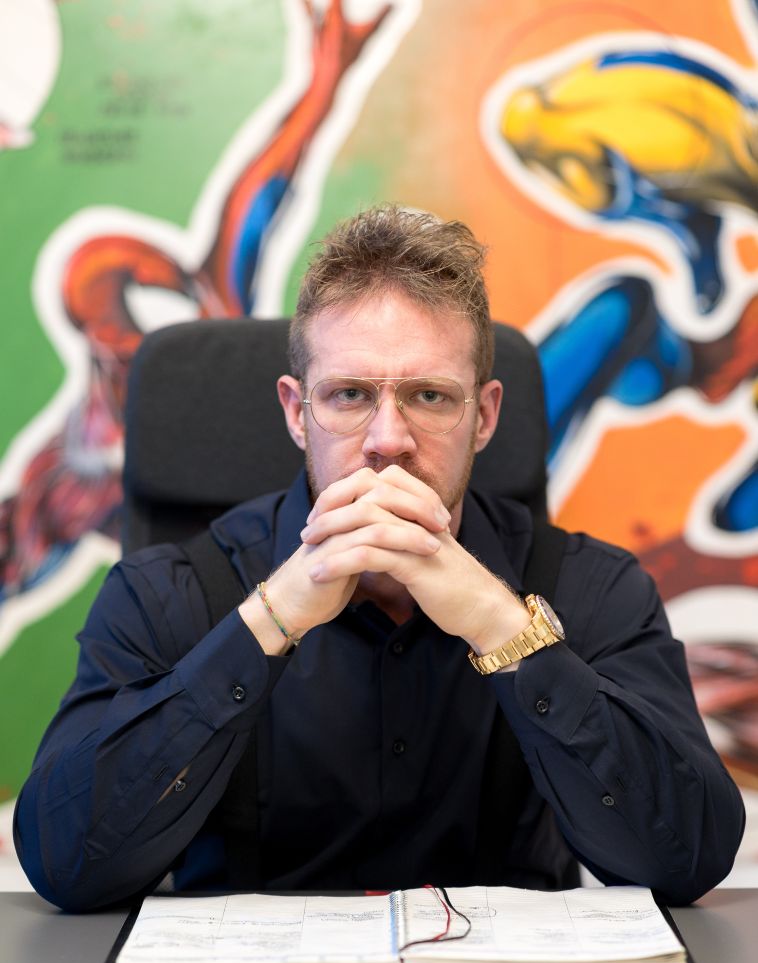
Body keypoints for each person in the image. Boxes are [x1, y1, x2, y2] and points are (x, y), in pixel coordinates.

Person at [14, 205, 744, 912]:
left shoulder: (592, 586)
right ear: (297, 413)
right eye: (350, 395)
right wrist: (271, 619)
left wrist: (504, 628)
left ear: (484, 415)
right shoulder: (166, 592)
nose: (388, 439)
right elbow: (66, 863)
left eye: (429, 396)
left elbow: (688, 859)